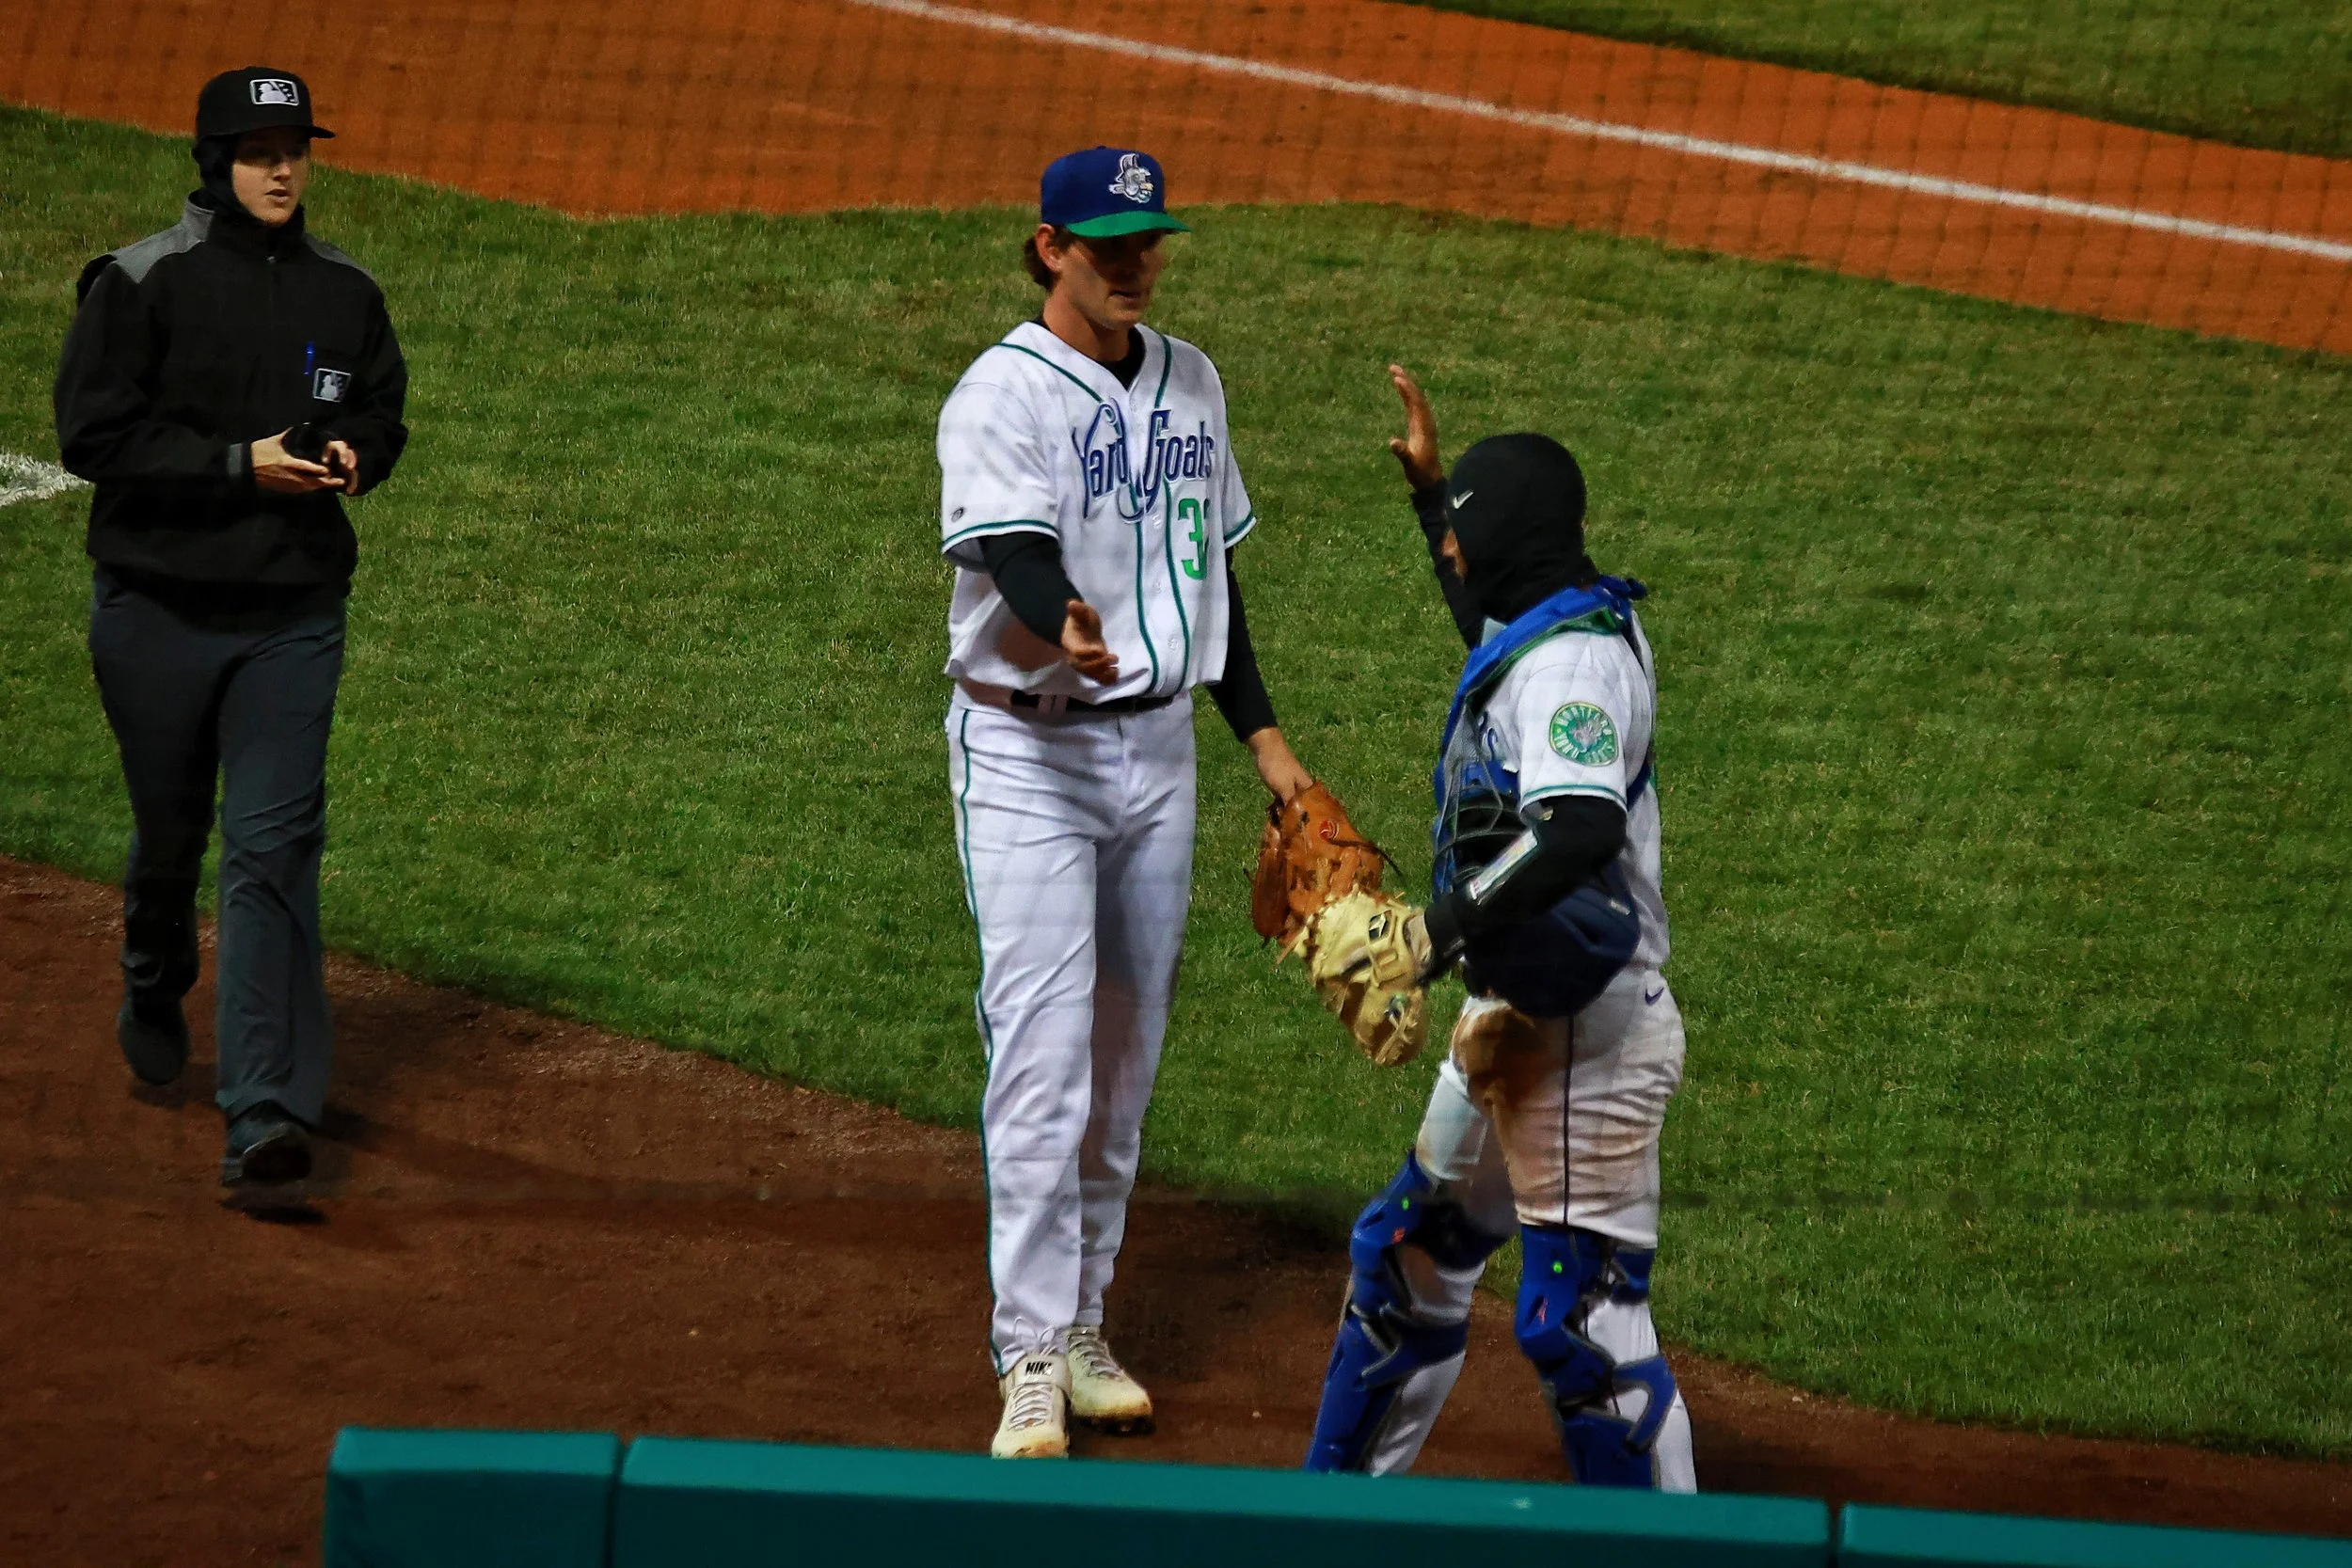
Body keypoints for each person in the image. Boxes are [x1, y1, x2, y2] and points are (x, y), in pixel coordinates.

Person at [937, 147, 1314, 1459]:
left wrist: (1266, 743)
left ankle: (1086, 1320)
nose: (1135, 262)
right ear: (1050, 246)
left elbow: (1214, 573)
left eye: (1149, 239)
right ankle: (1029, 1352)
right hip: (1030, 753)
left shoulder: (1193, 378)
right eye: (1109, 245)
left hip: (1161, 757)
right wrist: (1065, 626)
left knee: (1122, 1055)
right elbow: (1011, 548)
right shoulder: (999, 391)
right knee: (1042, 1062)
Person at [1302, 366, 1696, 1490]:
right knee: (1407, 1258)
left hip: (1589, 1036)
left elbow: (1573, 830)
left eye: (1470, 535)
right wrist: (1434, 502)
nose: (1460, 558)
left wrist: (1432, 930)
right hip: (1518, 1014)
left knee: (1582, 1325)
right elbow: (1486, 623)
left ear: (1515, 541)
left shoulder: (1576, 665)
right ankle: (1328, 1528)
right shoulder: (1551, 622)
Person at [53, 67, 408, 1186]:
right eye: (260, 151)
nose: (283, 168)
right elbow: (92, 438)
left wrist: (360, 451)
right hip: (155, 612)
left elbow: (381, 404)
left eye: (296, 148)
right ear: (213, 162)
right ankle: (153, 962)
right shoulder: (139, 281)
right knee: (172, 837)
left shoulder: (344, 288)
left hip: (290, 618)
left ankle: (263, 1107)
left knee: (272, 846)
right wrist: (234, 463)